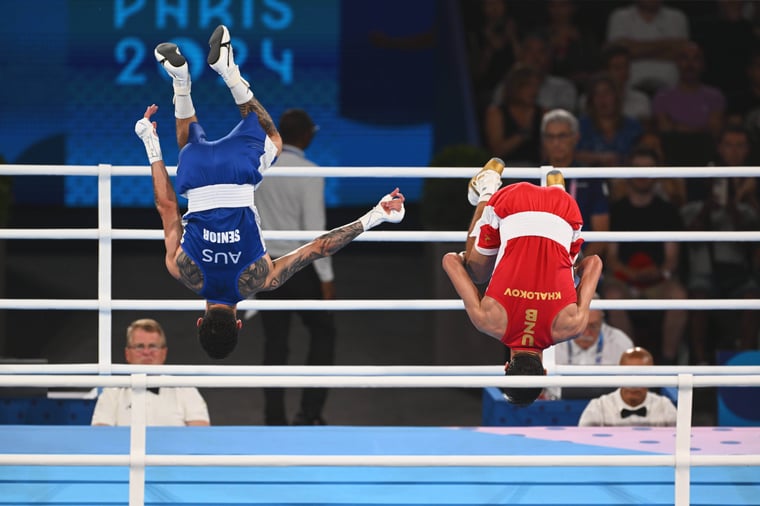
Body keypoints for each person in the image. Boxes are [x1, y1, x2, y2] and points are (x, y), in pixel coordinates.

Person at [134, 25, 406, 360]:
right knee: (188, 143)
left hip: (239, 174)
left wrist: (377, 214)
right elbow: (166, 206)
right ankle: (180, 80)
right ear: (199, 320)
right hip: (196, 177)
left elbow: (321, 247)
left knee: (275, 141)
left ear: (238, 325)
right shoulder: (180, 269)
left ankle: (229, 72)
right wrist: (150, 143)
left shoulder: (260, 279)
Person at [442, 157, 603, 407]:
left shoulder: (571, 325)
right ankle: (488, 184)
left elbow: (594, 263)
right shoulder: (488, 322)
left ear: (545, 372)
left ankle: (556, 188)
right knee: (476, 274)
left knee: (571, 267)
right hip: (510, 201)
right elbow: (449, 261)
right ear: (506, 366)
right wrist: (465, 259)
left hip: (565, 209)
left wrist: (570, 272)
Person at [253, 109, 337, 426]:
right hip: (300, 267)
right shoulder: (310, 171)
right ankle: (310, 413)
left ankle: (273, 417)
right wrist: (326, 279)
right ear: (306, 135)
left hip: (266, 267)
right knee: (324, 332)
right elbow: (318, 233)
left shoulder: (260, 168)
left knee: (275, 341)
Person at [602, 148, 687, 365]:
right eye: (637, 168)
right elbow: (611, 256)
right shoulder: (616, 210)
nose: (642, 174)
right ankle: (631, 364)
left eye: (648, 168)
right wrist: (629, 273)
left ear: (657, 173)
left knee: (679, 297)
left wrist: (658, 273)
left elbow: (672, 257)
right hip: (623, 277)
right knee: (612, 297)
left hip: (658, 279)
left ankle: (668, 364)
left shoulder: (668, 210)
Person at [91, 319, 210, 426]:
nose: (147, 352)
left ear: (164, 353)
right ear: (127, 353)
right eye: (139, 346)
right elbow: (100, 436)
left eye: (153, 346)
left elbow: (200, 435)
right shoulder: (111, 392)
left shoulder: (186, 389)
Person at [541, 109, 609, 259]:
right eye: (550, 137)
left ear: (575, 137)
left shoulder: (591, 179)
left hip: (582, 263)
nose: (556, 143)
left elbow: (601, 234)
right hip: (541, 261)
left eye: (562, 136)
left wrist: (576, 268)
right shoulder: (533, 179)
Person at [545, 293, 635, 400]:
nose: (587, 333)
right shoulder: (550, 340)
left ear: (602, 320)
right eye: (582, 325)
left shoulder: (620, 343)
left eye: (593, 326)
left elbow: (628, 389)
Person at [577, 346, 677, 427]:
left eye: (640, 375)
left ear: (651, 377)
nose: (633, 383)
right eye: (628, 374)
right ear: (618, 375)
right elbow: (583, 445)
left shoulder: (665, 407)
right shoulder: (598, 408)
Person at [606, 0, 690, 95]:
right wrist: (668, 46)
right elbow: (617, 53)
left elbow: (683, 53)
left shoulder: (677, 18)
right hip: (629, 92)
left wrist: (634, 48)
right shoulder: (619, 17)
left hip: (670, 91)